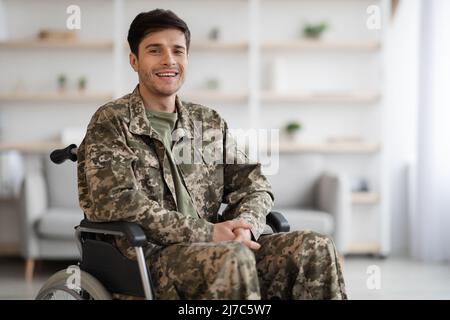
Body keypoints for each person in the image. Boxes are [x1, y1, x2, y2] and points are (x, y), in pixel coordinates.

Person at [77, 9, 347, 300]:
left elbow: (253, 184)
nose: (169, 60)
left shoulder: (207, 122)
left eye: (177, 51)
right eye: (155, 50)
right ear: (134, 60)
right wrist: (208, 233)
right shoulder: (111, 120)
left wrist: (246, 227)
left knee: (316, 247)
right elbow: (118, 204)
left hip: (223, 246)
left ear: (186, 60)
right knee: (232, 259)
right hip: (148, 257)